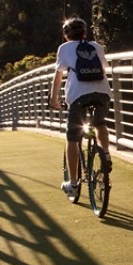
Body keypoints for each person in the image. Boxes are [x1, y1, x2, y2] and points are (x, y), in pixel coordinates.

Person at [49, 17, 112, 198]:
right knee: (99, 123)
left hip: (78, 96)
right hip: (103, 93)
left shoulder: (64, 48)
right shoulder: (96, 47)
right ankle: (105, 154)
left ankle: (73, 184)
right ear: (85, 33)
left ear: (66, 35)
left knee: (73, 137)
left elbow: (58, 77)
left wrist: (54, 99)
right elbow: (104, 69)